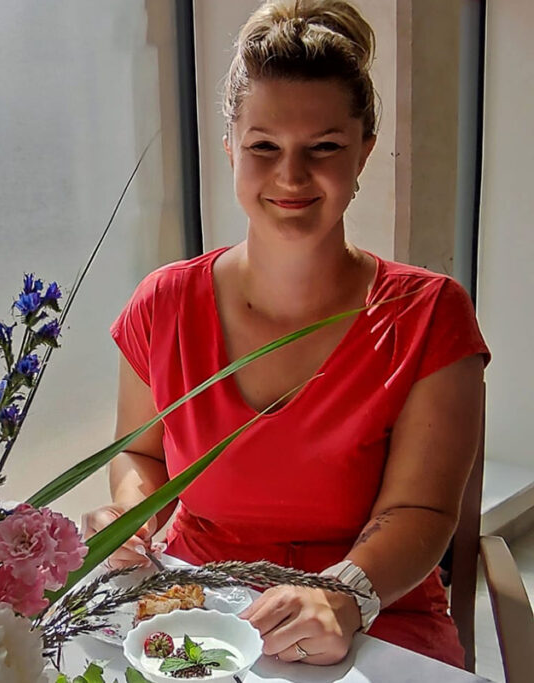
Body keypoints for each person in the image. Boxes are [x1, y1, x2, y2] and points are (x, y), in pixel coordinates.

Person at [81, 0, 489, 669]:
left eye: (323, 147)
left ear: (364, 147)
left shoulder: (429, 313)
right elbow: (141, 457)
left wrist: (345, 593)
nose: (291, 176)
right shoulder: (163, 302)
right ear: (230, 150)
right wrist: (131, 520)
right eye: (264, 147)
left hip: (372, 610)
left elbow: (421, 506)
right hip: (195, 602)